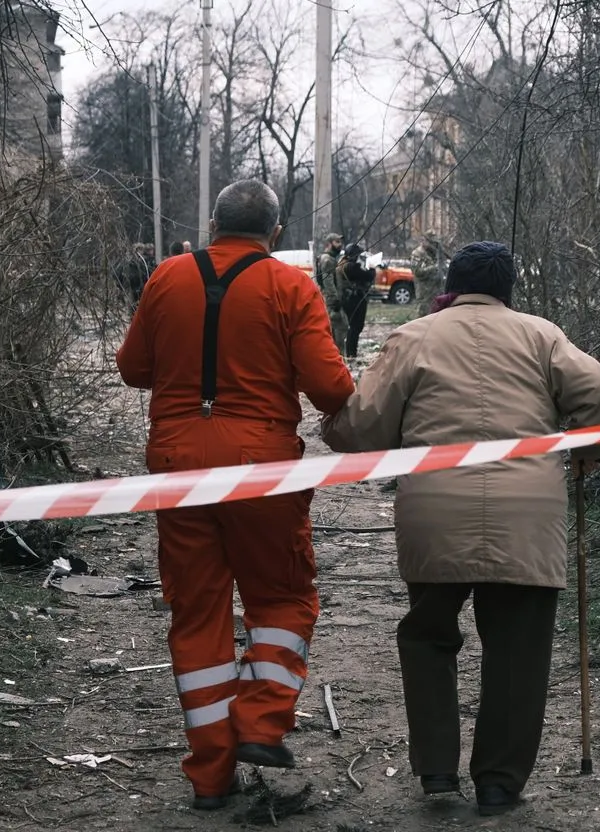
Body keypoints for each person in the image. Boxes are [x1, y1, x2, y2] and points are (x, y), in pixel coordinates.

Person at [320, 241, 600, 817]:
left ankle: (437, 769)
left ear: (452, 286)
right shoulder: (542, 335)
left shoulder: (415, 336)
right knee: (518, 651)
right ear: (508, 288)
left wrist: (332, 425)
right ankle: (499, 783)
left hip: (434, 510)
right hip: (528, 515)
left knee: (428, 636)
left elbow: (362, 429)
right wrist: (589, 451)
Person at [117, 179, 354, 811]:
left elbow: (132, 367)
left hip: (176, 465)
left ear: (213, 225)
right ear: (274, 235)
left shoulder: (166, 278)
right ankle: (259, 723)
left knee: (197, 615)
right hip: (261, 469)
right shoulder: (291, 286)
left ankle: (209, 777)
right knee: (282, 596)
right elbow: (331, 388)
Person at [337, 243, 376, 357]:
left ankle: (349, 352)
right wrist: (372, 267)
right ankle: (351, 353)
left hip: (349, 298)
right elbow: (369, 275)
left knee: (352, 327)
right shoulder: (351, 267)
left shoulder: (343, 264)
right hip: (355, 299)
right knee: (355, 326)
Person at [315, 232, 348, 350]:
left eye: (341, 242)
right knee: (339, 330)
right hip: (332, 303)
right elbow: (327, 281)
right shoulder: (328, 260)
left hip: (330, 302)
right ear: (329, 244)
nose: (340, 245)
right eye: (337, 242)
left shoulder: (329, 258)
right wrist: (335, 300)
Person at [411, 234, 443, 317]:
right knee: (422, 315)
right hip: (424, 291)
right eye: (430, 242)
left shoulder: (432, 253)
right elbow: (417, 272)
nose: (432, 245)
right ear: (423, 241)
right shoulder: (417, 253)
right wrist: (433, 268)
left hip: (434, 290)